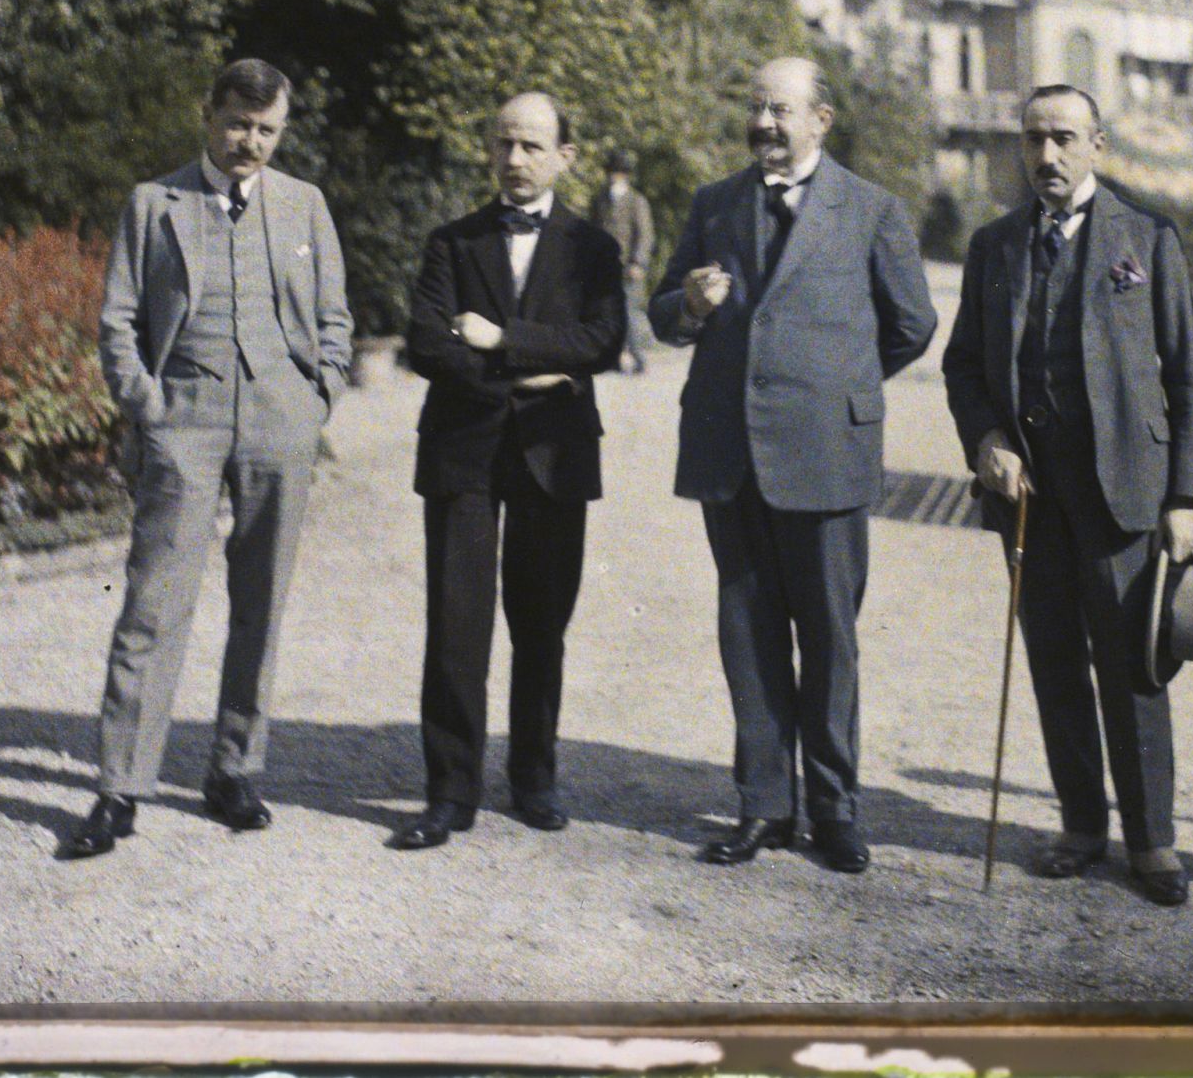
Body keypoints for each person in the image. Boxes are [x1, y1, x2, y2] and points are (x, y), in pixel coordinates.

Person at [649, 56, 936, 874]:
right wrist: (691, 307)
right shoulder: (715, 204)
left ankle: (836, 809)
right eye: (756, 108)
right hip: (729, 449)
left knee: (830, 638)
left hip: (826, 449)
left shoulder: (871, 209)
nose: (765, 125)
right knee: (747, 631)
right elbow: (664, 312)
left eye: (781, 110)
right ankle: (764, 805)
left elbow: (912, 323)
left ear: (822, 120)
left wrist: (838, 385)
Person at [64, 58, 352, 859]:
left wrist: (316, 397)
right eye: (236, 124)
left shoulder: (304, 205)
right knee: (154, 604)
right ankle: (121, 788)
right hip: (183, 417)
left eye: (265, 130)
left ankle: (234, 770)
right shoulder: (155, 204)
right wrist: (148, 407)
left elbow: (336, 317)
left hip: (278, 419)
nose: (248, 143)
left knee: (261, 603)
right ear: (208, 115)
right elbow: (118, 319)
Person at [941, 85, 1193, 905]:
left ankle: (1152, 840)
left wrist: (1185, 497)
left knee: (1133, 666)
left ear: (1097, 143)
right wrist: (986, 439)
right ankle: (1082, 823)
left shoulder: (1147, 240)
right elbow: (963, 366)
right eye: (1033, 140)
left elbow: (1186, 373)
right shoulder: (994, 246)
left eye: (1063, 138)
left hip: (1122, 488)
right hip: (1029, 493)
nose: (1047, 157)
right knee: (1054, 658)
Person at [391, 93, 627, 850]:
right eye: (504, 145)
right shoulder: (452, 242)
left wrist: (500, 336)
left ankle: (534, 779)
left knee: (541, 622)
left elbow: (600, 338)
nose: (516, 160)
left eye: (532, 146)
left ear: (566, 155)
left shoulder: (593, 248)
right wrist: (526, 371)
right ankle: (449, 790)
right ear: (490, 152)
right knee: (457, 624)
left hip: (554, 454)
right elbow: (426, 342)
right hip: (464, 448)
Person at [588, 148, 656, 375]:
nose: (612, 176)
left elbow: (645, 235)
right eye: (610, 171)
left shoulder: (636, 201)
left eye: (617, 172)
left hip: (629, 268)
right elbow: (592, 231)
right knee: (606, 313)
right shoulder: (599, 199)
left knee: (630, 313)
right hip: (604, 266)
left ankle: (638, 359)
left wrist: (638, 262)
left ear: (625, 174)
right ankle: (613, 359)